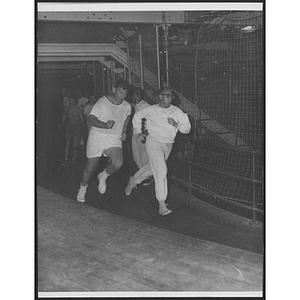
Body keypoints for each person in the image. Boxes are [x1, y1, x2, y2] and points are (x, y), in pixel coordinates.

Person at [125, 86, 191, 216]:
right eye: (165, 95)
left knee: (152, 168)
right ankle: (162, 204)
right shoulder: (151, 110)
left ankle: (134, 180)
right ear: (160, 96)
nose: (168, 98)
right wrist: (139, 133)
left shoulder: (177, 111)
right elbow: (137, 116)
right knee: (161, 171)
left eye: (170, 96)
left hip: (168, 145)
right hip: (153, 143)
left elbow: (187, 129)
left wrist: (176, 124)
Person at [76, 79, 132, 202]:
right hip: (98, 136)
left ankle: (104, 175)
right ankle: (83, 188)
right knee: (90, 168)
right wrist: (104, 125)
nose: (122, 96)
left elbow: (127, 118)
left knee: (118, 163)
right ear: (113, 90)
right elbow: (90, 119)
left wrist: (124, 132)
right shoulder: (102, 102)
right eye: (120, 92)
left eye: (125, 94)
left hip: (113, 138)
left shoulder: (127, 106)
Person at [130, 86, 153, 186]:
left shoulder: (146, 106)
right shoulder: (136, 105)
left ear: (135, 95)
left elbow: (152, 120)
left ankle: (149, 177)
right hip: (135, 134)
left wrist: (146, 134)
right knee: (136, 157)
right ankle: (144, 175)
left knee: (144, 158)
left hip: (142, 135)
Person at [59, 96, 84, 166]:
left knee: (74, 144)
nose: (72, 102)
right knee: (67, 143)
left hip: (76, 127)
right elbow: (64, 116)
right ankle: (66, 159)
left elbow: (82, 120)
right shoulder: (67, 109)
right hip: (69, 127)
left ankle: (75, 152)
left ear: (75, 101)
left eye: (73, 100)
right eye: (70, 100)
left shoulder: (78, 109)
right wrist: (61, 123)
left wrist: (77, 122)